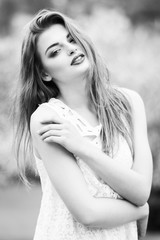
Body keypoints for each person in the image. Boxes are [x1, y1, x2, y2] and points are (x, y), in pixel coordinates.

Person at [15, 9, 153, 240]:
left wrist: (81, 147)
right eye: (55, 51)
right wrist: (142, 210)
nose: (70, 48)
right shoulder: (47, 119)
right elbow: (87, 213)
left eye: (71, 39)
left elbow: (140, 191)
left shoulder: (129, 103)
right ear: (45, 73)